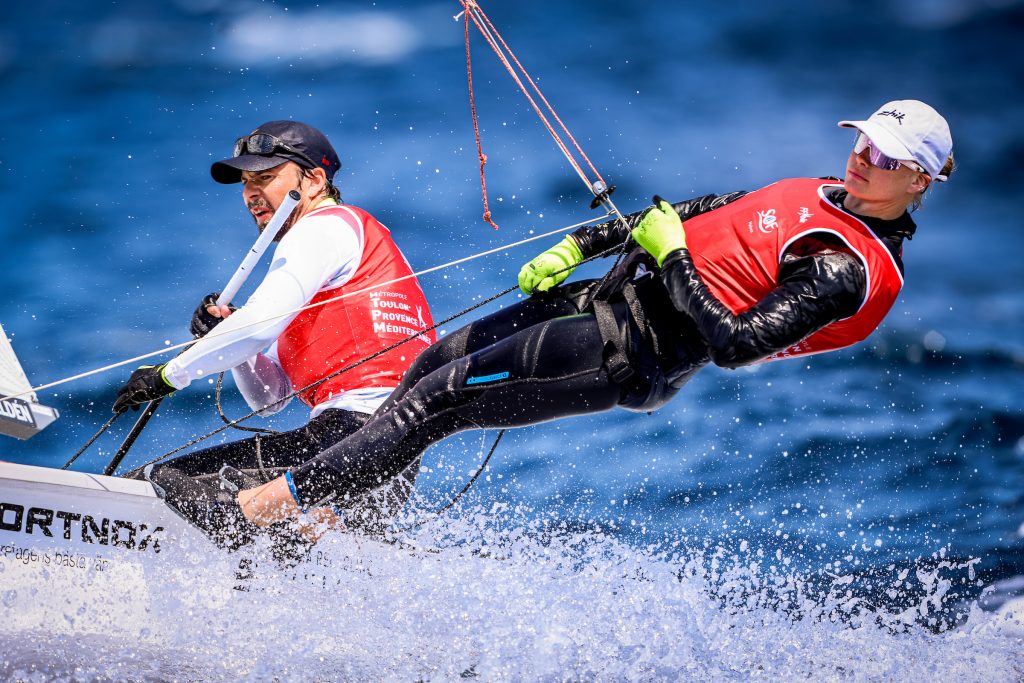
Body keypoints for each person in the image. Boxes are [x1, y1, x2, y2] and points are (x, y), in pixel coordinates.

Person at [146, 100, 954, 552]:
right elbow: (681, 215)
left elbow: (735, 345)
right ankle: (325, 524)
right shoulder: (821, 190)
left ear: (918, 180)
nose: (861, 161)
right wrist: (582, 241)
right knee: (425, 370)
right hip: (595, 297)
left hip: (627, 350)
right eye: (862, 142)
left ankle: (266, 507)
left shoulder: (845, 269)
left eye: (884, 160)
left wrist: (671, 261)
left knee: (435, 406)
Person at [115, 120, 436, 532]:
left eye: (265, 178)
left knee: (157, 486)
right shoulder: (345, 245)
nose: (251, 193)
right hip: (386, 459)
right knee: (279, 551)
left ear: (315, 180)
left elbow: (257, 328)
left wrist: (167, 376)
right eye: (246, 182)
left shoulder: (321, 228)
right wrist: (223, 338)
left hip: (350, 440)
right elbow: (272, 396)